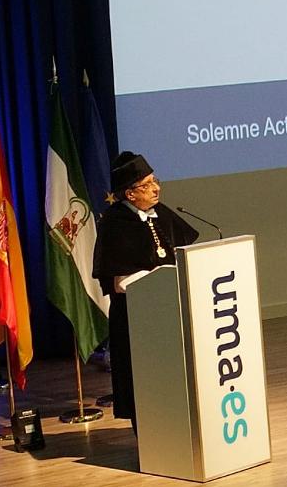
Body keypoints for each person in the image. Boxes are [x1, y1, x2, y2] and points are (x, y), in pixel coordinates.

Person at [92, 151, 199, 430]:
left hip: (169, 312)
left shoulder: (160, 213)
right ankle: (149, 433)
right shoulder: (114, 224)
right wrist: (157, 277)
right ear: (129, 193)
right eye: (147, 184)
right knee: (142, 378)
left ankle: (177, 425)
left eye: (155, 181)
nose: (156, 188)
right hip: (134, 318)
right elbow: (119, 282)